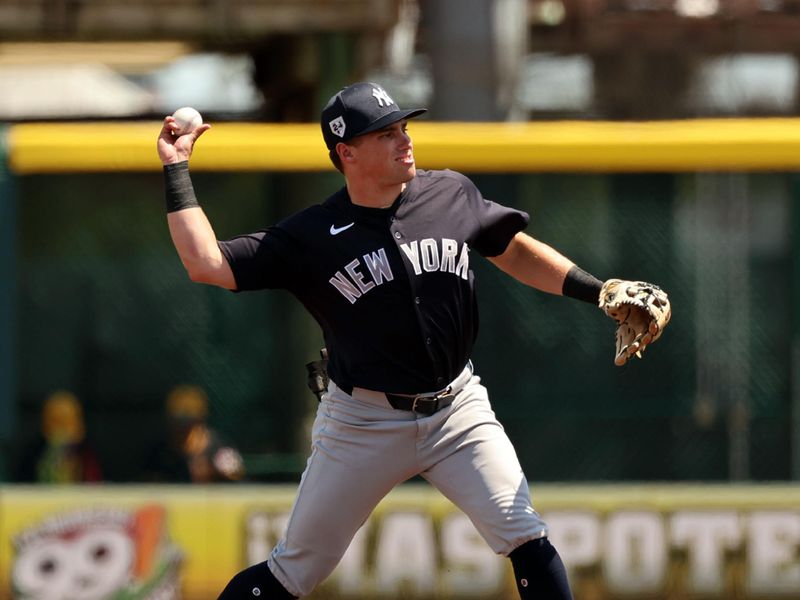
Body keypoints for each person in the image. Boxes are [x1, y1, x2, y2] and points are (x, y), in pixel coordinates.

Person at [156, 82, 668, 599]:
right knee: (294, 571)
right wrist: (176, 169)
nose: (404, 139)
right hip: (363, 422)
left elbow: (509, 249)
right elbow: (207, 264)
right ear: (346, 153)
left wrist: (597, 289)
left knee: (526, 535)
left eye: (403, 126)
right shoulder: (312, 236)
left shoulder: (449, 193)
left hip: (456, 409)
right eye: (384, 133)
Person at [143, 384, 245, 483]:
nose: (182, 429)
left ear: (200, 421)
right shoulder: (160, 452)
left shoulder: (219, 449)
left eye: (188, 422)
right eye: (176, 422)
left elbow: (237, 477)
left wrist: (214, 472)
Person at [17, 390, 103, 484]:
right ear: (45, 425)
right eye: (57, 421)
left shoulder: (93, 457)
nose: (62, 429)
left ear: (80, 426)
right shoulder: (31, 457)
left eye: (68, 422)